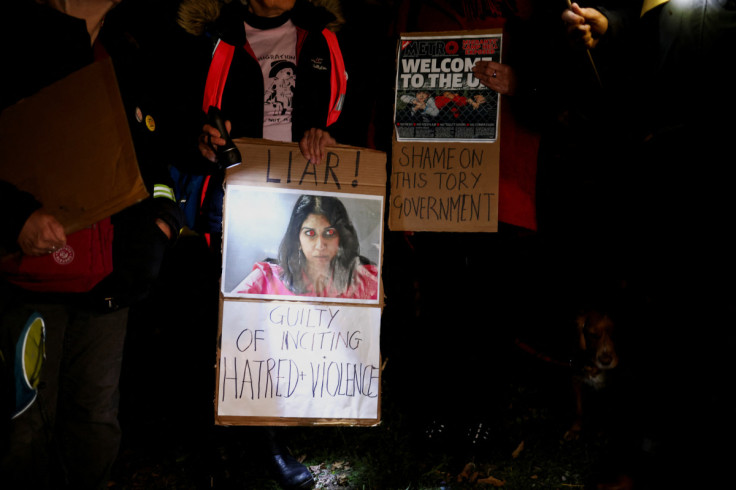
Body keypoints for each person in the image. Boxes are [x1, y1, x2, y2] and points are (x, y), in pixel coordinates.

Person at [0, 1, 183, 489]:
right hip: (32, 275)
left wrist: (162, 219)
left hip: (110, 277)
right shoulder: (10, 42)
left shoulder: (127, 50)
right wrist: (12, 217)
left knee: (95, 419)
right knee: (24, 420)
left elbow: (152, 153)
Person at [175, 1, 352, 488]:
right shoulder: (212, 37)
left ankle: (265, 440)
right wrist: (203, 140)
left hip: (294, 199)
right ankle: (215, 445)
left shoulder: (321, 38)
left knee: (274, 320)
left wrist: (327, 134)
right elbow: (179, 115)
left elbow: (340, 113)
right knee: (221, 317)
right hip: (230, 197)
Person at [233, 194, 379, 299]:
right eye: (310, 233)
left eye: (329, 232)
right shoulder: (266, 279)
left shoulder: (366, 282)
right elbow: (230, 319)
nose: (320, 245)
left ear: (341, 237)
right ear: (297, 239)